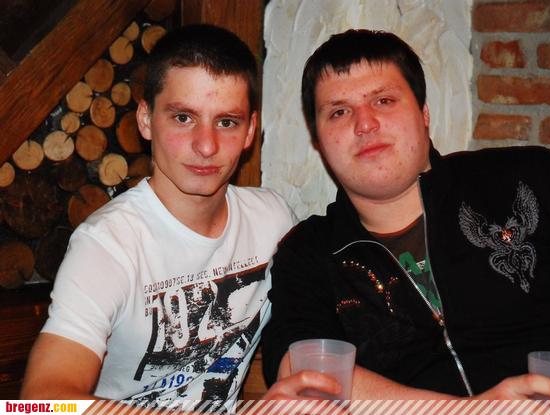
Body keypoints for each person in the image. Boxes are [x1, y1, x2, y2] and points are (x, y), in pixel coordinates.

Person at [262, 29, 550, 400]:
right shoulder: (310, 253)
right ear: (318, 141)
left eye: (384, 101)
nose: (364, 123)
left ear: (424, 114)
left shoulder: (526, 180)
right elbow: (300, 371)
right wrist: (474, 412)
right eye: (339, 111)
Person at [20, 24, 333, 412]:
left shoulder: (272, 219)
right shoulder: (106, 245)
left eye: (226, 122)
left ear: (250, 130)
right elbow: (39, 404)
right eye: (184, 118)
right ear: (146, 119)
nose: (206, 146)